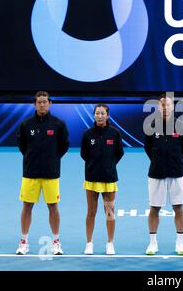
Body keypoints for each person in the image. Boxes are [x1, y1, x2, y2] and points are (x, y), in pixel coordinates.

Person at [16, 91, 69, 255]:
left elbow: (64, 146)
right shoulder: (26, 124)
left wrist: (52, 158)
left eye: (45, 102)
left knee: (53, 206)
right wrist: (32, 158)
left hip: (51, 172)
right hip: (30, 172)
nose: (42, 105)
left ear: (50, 103)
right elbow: (22, 146)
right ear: (34, 104)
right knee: (27, 206)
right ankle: (23, 241)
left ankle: (56, 241)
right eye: (39, 102)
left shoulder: (58, 124)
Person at [144, 94, 183, 255]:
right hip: (156, 173)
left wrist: (176, 160)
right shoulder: (151, 126)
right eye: (162, 105)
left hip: (176, 173)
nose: (165, 108)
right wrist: (158, 161)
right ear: (158, 107)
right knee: (154, 208)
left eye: (168, 105)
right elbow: (148, 148)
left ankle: (179, 243)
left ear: (173, 107)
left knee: (178, 207)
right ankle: (152, 243)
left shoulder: (181, 125)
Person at [80, 104, 124, 255]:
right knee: (91, 212)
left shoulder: (115, 133)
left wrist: (109, 165)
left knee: (110, 212)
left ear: (107, 115)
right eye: (97, 113)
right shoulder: (87, 134)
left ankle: (110, 243)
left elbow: (119, 153)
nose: (100, 116)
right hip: (91, 178)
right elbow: (84, 154)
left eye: (102, 113)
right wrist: (95, 165)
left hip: (109, 178)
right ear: (94, 115)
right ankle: (89, 243)